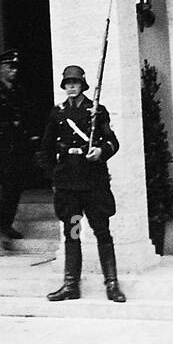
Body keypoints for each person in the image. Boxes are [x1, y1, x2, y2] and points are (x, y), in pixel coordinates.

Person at [39, 63, 126, 303]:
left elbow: (113, 142)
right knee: (73, 233)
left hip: (93, 184)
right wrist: (54, 177)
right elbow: (45, 150)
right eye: (67, 84)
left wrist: (100, 151)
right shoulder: (57, 114)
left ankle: (112, 284)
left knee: (102, 232)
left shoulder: (97, 111)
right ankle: (70, 285)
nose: (71, 87)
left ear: (83, 85)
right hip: (69, 187)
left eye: (75, 83)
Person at [0, 49, 39, 250]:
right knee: (9, 186)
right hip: (2, 148)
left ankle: (8, 225)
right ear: (1, 68)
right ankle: (3, 229)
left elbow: (28, 117)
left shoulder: (20, 90)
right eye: (10, 67)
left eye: (16, 67)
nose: (14, 70)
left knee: (17, 187)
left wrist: (34, 139)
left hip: (20, 146)